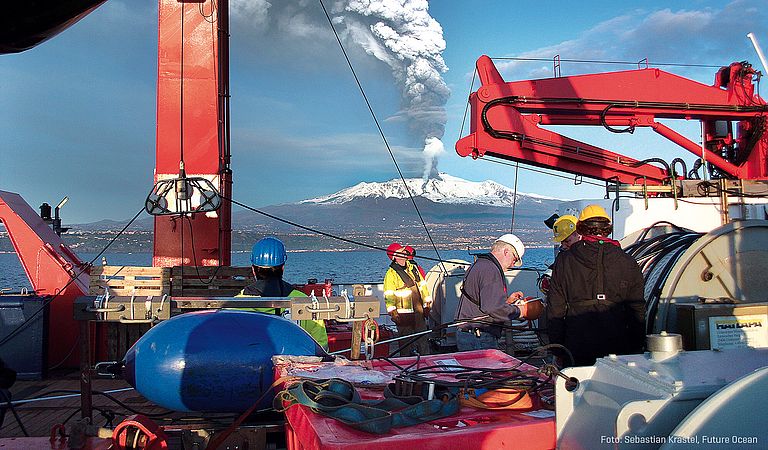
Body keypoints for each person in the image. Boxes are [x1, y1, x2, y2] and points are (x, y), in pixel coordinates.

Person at [546, 205, 645, 367]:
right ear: (608, 229)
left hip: (577, 346)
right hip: (619, 346)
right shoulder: (628, 262)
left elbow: (555, 310)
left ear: (580, 229)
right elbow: (637, 310)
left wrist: (558, 350)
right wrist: (636, 347)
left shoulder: (564, 261)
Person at [237, 236, 329, 350]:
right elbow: (321, 347)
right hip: (294, 365)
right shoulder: (305, 302)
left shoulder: (235, 304)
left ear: (253, 269)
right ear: (283, 267)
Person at [455, 234, 543, 351]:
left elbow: (484, 302)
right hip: (479, 337)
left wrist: (506, 302)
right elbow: (493, 308)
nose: (513, 264)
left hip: (469, 334)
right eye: (514, 259)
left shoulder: (481, 264)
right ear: (506, 252)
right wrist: (521, 311)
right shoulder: (491, 270)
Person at [383, 242, 432, 356]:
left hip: (418, 310)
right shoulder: (391, 274)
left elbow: (423, 286)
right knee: (405, 342)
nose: (405, 252)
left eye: (404, 251)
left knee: (423, 338)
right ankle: (405, 362)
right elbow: (389, 295)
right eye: (401, 251)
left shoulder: (413, 268)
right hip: (403, 314)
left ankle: (426, 360)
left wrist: (427, 303)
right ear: (395, 257)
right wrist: (393, 312)